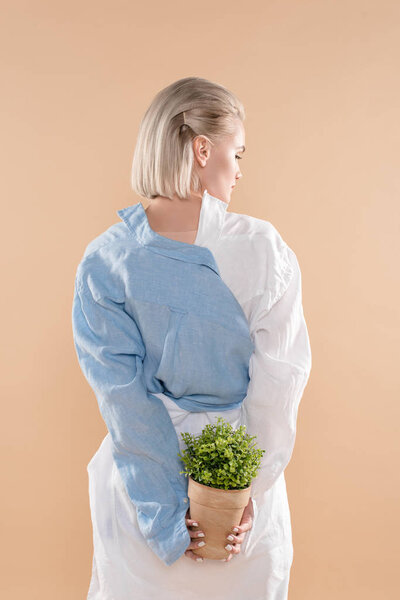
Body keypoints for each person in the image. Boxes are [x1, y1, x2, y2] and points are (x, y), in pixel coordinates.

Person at [72, 76, 312, 600]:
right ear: (203, 149)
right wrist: (248, 488)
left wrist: (162, 512)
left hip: (139, 484)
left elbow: (124, 400)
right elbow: (281, 378)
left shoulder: (104, 261)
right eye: (237, 153)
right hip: (239, 473)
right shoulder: (263, 250)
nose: (241, 171)